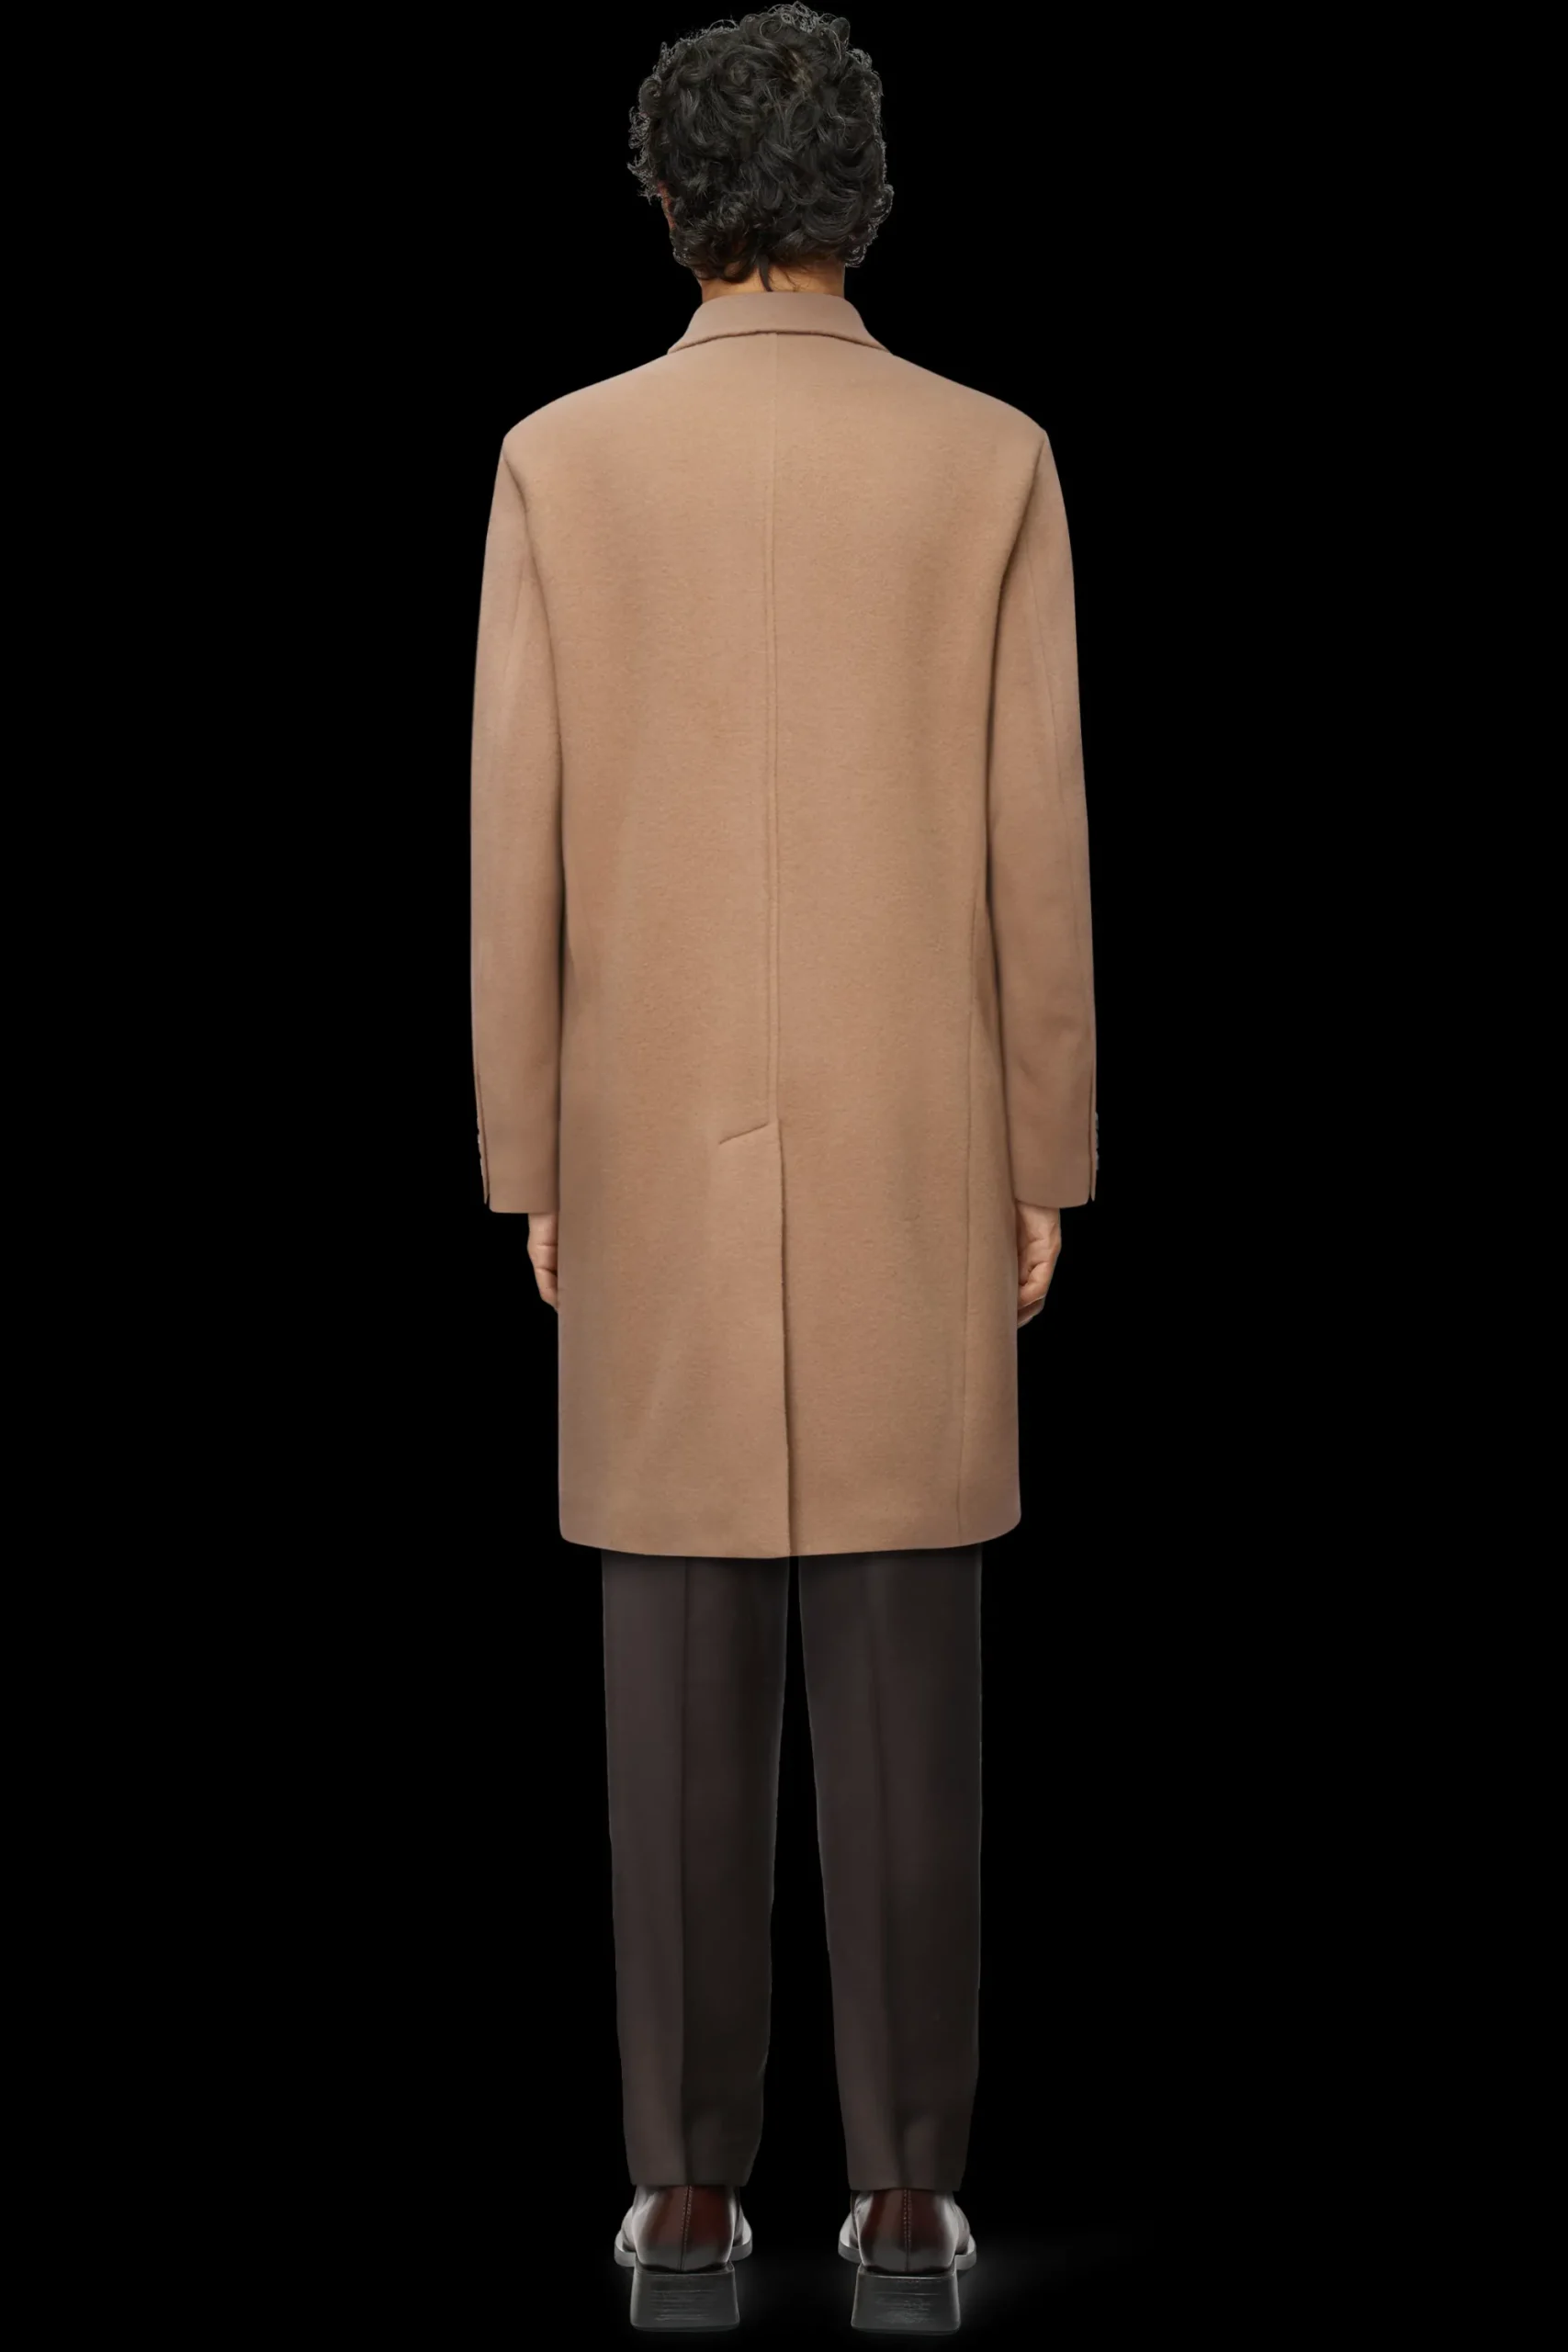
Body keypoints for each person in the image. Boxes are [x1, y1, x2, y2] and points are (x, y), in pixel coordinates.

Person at [469, 5, 1096, 2332]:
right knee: (914, 1661)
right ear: (864, 200)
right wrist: (1049, 1142)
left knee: (668, 1657)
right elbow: (1037, 835)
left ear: (669, 203)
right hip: (924, 1127)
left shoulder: (560, 460)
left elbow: (511, 833)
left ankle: (681, 2199)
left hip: (643, 1130)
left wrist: (528, 1142)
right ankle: (912, 2199)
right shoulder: (989, 458)